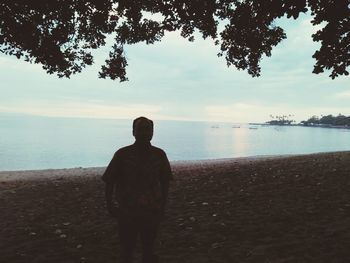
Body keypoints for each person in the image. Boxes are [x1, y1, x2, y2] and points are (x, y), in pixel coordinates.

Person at [102, 116, 172, 263]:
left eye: (148, 129)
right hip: (127, 211)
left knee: (148, 248)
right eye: (140, 129)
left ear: (152, 132)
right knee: (127, 249)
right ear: (133, 132)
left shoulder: (159, 155)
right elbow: (109, 180)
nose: (144, 133)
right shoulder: (122, 154)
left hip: (151, 210)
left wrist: (163, 206)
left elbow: (165, 182)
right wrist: (109, 204)